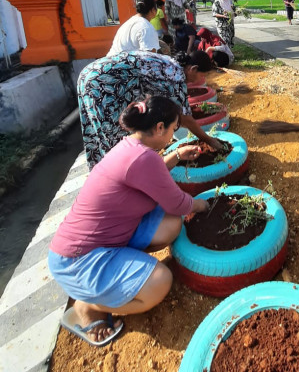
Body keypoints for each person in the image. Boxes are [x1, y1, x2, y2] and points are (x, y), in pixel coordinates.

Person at [49, 95, 209, 346]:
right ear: (159, 128)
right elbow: (177, 203)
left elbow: (150, 174)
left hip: (103, 241)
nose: (173, 135)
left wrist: (177, 154)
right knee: (161, 282)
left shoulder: (131, 147)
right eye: (173, 128)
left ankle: (120, 275)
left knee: (171, 224)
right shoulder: (144, 158)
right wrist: (202, 204)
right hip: (79, 260)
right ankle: (88, 306)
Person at [78, 50, 223, 169]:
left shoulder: (172, 65)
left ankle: (108, 171)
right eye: (202, 75)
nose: (200, 80)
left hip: (92, 74)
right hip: (103, 83)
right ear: (193, 69)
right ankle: (118, 177)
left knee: (102, 132)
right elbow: (185, 119)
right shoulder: (176, 77)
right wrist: (208, 140)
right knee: (114, 134)